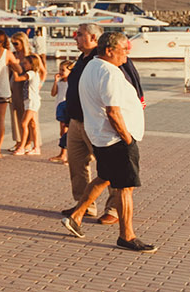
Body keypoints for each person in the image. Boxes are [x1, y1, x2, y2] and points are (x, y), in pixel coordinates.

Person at [62, 31, 157, 253]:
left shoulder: (91, 67)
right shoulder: (108, 73)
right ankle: (127, 236)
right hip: (115, 138)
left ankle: (76, 216)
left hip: (100, 136)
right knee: (125, 187)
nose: (128, 53)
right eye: (124, 49)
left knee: (104, 177)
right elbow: (113, 112)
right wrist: (127, 138)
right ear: (109, 50)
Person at [62, 24, 121, 224]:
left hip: (96, 122)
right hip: (76, 122)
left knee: (108, 167)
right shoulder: (82, 59)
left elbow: (125, 82)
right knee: (77, 164)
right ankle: (84, 205)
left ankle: (113, 209)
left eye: (79, 34)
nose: (75, 38)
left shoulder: (104, 58)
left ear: (94, 38)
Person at [9, 32, 44, 154]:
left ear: (23, 42)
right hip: (15, 88)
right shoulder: (13, 55)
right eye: (12, 43)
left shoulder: (32, 57)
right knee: (16, 115)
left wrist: (40, 84)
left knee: (29, 119)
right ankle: (19, 141)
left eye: (16, 43)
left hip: (28, 90)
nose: (14, 46)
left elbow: (43, 71)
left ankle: (29, 143)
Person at [16, 53, 46, 156]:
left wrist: (13, 68)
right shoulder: (35, 73)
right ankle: (36, 147)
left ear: (31, 64)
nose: (24, 65)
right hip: (29, 101)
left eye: (25, 63)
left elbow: (18, 79)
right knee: (33, 125)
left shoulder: (32, 73)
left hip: (32, 101)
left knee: (24, 123)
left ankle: (22, 146)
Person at [48, 57, 74, 164]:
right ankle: (62, 153)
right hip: (60, 109)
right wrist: (55, 82)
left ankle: (69, 156)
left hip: (68, 109)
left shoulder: (71, 83)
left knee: (67, 132)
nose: (60, 72)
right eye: (60, 69)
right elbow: (53, 93)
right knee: (62, 132)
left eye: (63, 70)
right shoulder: (60, 82)